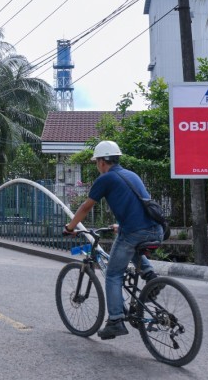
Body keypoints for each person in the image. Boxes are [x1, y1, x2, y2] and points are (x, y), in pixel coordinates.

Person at [63, 140, 163, 340]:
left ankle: (116, 320)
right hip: (156, 229)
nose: (97, 166)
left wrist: (70, 227)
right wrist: (120, 225)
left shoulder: (106, 178)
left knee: (112, 274)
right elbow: (136, 205)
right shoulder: (131, 175)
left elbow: (86, 206)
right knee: (130, 245)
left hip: (134, 232)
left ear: (102, 162)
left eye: (96, 162)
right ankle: (151, 278)